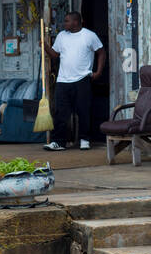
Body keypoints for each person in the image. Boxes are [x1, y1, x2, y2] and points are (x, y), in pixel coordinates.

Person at [44, 10, 105, 151]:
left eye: (67, 21)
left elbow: (101, 52)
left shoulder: (89, 36)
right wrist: (45, 47)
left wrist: (99, 71)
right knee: (60, 111)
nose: (64, 23)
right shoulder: (61, 36)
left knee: (83, 110)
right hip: (63, 80)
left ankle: (84, 139)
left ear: (76, 22)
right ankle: (58, 142)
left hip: (82, 78)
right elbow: (54, 55)